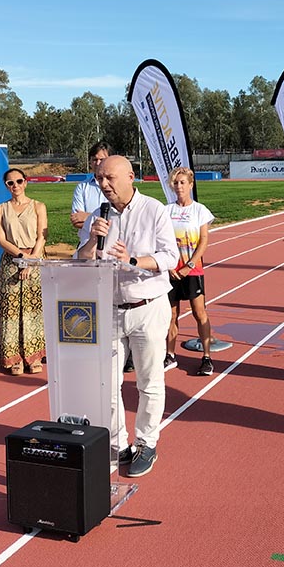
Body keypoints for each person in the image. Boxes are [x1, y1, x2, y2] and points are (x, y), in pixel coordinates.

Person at [77, 155, 178, 478]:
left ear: (130, 176)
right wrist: (93, 239)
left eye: (109, 178)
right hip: (109, 308)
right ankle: (118, 443)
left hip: (147, 307)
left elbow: (169, 257)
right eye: (99, 179)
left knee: (149, 381)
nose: (104, 185)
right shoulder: (98, 216)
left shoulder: (154, 210)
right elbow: (81, 260)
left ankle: (147, 443)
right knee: (106, 384)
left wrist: (133, 259)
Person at [0, 169, 48, 375]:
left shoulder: (38, 206)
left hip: (35, 260)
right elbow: (1, 238)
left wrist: (31, 261)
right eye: (10, 183)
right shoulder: (0, 209)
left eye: (18, 181)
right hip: (11, 262)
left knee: (34, 310)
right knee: (11, 310)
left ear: (25, 182)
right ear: (6, 186)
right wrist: (20, 258)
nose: (15, 185)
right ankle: (14, 358)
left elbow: (42, 236)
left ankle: (34, 356)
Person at [164, 167, 216, 375]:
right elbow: (161, 240)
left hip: (192, 271)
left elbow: (203, 241)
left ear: (190, 185)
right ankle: (170, 355)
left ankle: (206, 357)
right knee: (171, 315)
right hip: (171, 271)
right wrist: (169, 266)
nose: (179, 187)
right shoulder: (167, 210)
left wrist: (190, 265)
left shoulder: (200, 211)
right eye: (176, 183)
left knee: (199, 313)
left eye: (182, 183)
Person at [72, 141, 111, 245]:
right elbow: (77, 221)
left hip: (112, 245)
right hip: (86, 244)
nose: (98, 163)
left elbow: (121, 220)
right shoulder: (82, 187)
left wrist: (87, 217)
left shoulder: (117, 186)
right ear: (90, 162)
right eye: (94, 159)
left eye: (102, 159)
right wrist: (104, 220)